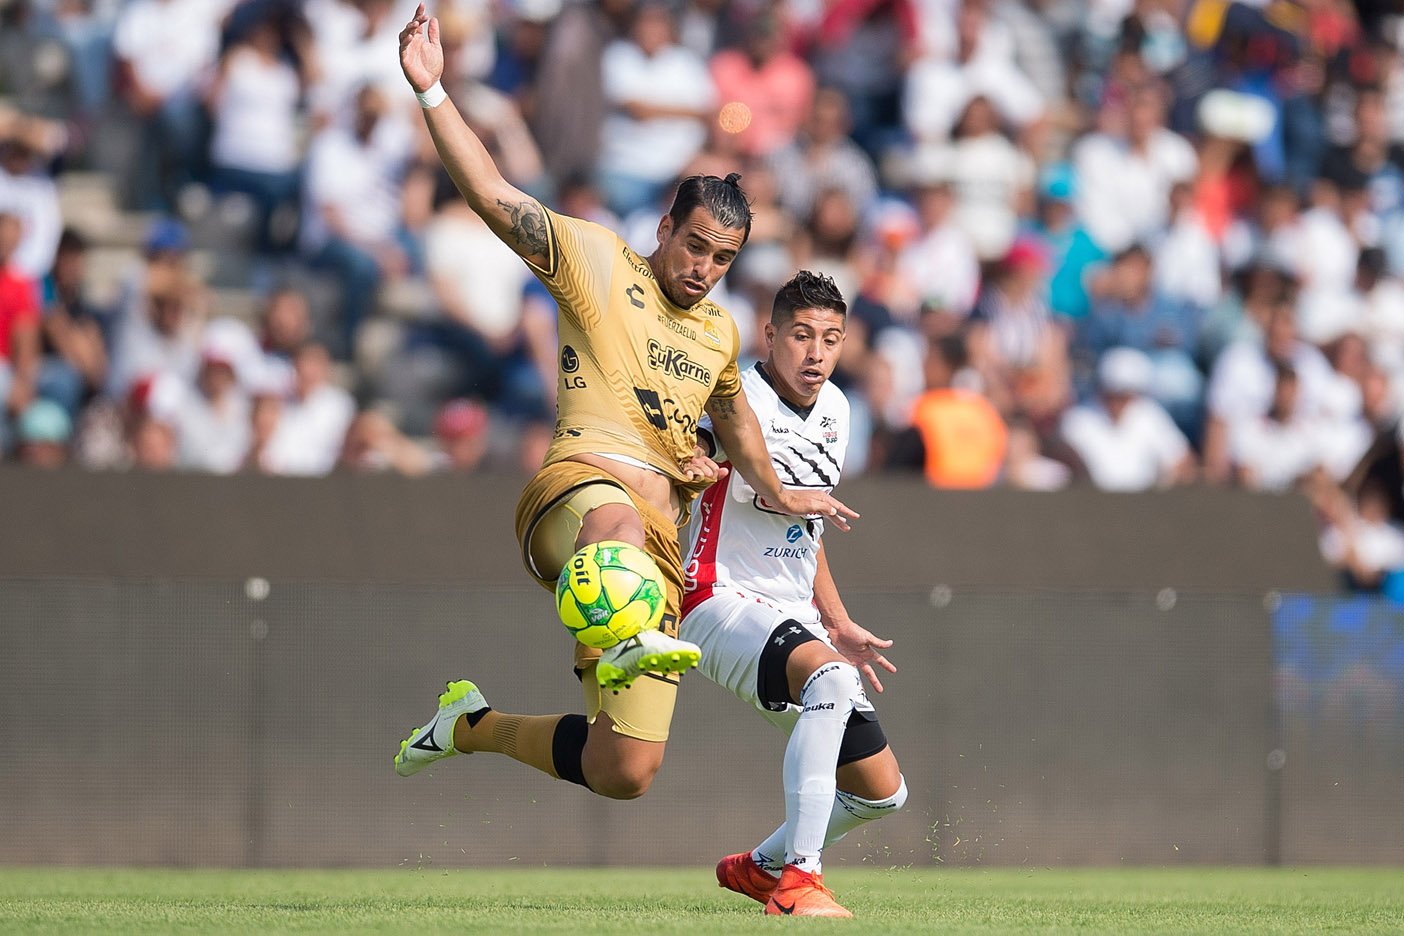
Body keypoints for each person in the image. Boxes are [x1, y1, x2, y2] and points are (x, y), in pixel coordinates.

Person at [390, 4, 856, 802]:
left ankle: (470, 725)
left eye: (723, 258)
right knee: (615, 524)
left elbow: (739, 422)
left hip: (650, 557)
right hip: (579, 501)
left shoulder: (718, 331)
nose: (705, 268)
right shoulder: (596, 260)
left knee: (624, 770)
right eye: (695, 246)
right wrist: (434, 94)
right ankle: (635, 630)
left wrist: (774, 490)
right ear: (666, 225)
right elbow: (495, 195)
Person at [679, 271, 905, 917]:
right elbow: (696, 445)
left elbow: (808, 523)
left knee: (882, 793)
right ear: (769, 334)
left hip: (794, 610)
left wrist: (835, 619)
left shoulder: (837, 409)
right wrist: (693, 460)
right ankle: (798, 884)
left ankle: (762, 867)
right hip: (717, 597)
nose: (816, 353)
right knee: (830, 684)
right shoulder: (735, 398)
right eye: (801, 335)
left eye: (831, 339)